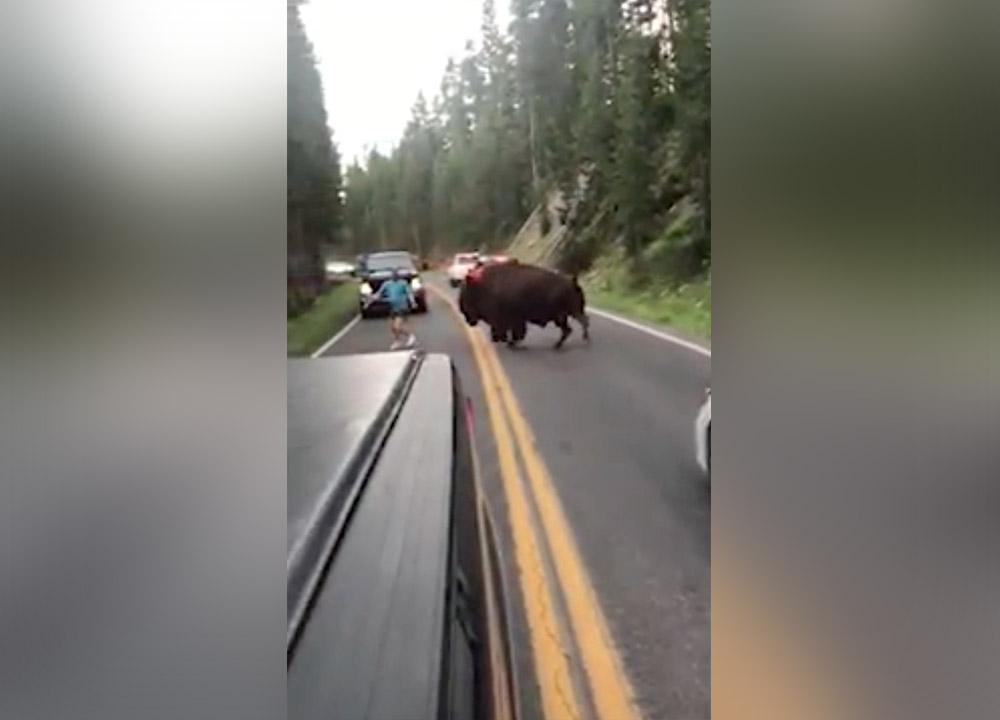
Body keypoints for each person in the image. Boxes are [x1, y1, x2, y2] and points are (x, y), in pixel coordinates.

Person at [368, 270, 418, 350]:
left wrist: (413, 302)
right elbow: (379, 293)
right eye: (393, 275)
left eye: (396, 275)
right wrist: (373, 298)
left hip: (402, 307)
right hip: (392, 307)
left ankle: (410, 336)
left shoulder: (403, 283)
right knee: (393, 327)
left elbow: (409, 293)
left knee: (397, 326)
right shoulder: (387, 284)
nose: (395, 277)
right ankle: (397, 341)